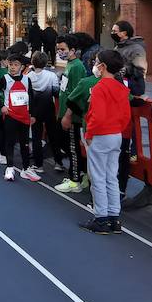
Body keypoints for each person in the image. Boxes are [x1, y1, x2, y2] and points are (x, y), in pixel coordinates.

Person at [81, 49, 132, 235]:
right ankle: (114, 217)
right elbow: (126, 115)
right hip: (116, 134)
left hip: (100, 134)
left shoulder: (100, 88)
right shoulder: (121, 88)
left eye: (96, 62)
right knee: (111, 176)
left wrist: (90, 134)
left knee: (97, 177)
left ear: (102, 67)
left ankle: (101, 217)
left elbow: (98, 115)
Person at [0, 53, 43, 182]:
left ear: (22, 67)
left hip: (24, 117)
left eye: (16, 65)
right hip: (11, 115)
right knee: (10, 142)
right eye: (10, 64)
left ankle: (26, 169)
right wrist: (2, 106)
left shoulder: (27, 79)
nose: (12, 67)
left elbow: (31, 97)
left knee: (25, 143)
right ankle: (9, 168)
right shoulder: (4, 78)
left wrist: (32, 114)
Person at [111, 20, 147, 197]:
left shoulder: (136, 48)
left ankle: (131, 151)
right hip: (119, 89)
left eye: (115, 30)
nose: (112, 32)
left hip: (131, 88)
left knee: (129, 123)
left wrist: (124, 70)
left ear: (124, 32)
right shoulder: (118, 46)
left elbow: (140, 69)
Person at [55, 34, 90, 193]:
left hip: (73, 116)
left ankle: (75, 179)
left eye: (63, 49)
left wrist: (68, 115)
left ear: (73, 50)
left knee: (73, 148)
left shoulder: (77, 67)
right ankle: (80, 174)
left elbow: (77, 95)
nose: (60, 52)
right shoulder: (69, 65)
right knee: (68, 146)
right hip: (64, 113)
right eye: (58, 49)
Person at [26, 51, 64, 172]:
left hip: (35, 110)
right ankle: (58, 162)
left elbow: (27, 94)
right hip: (49, 108)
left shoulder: (28, 77)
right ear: (45, 62)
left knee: (36, 137)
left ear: (33, 62)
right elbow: (56, 92)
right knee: (53, 136)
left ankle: (39, 165)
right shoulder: (51, 75)